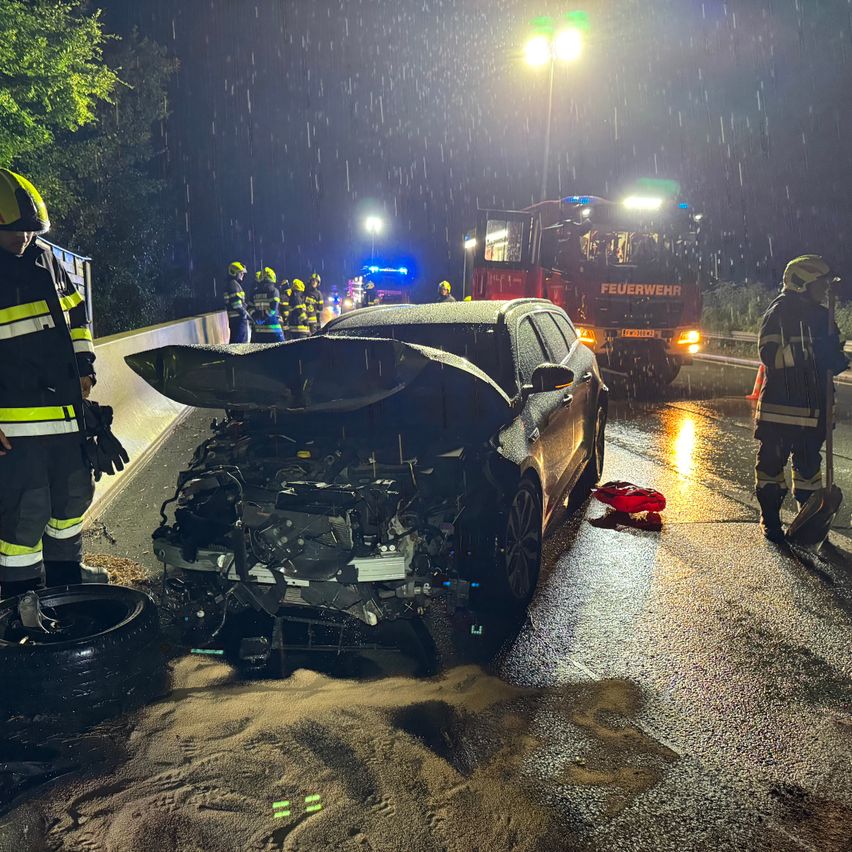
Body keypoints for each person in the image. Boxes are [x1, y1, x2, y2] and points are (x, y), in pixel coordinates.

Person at [0, 169, 108, 597]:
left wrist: (85, 367)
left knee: (69, 506)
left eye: (31, 230)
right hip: (15, 429)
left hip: (67, 421)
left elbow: (77, 316)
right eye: (14, 230)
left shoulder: (46, 259)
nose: (25, 238)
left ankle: (67, 593)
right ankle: (18, 605)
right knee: (24, 517)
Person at [754, 254, 848, 543]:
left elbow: (831, 354)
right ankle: (770, 520)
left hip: (815, 411)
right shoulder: (780, 311)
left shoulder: (822, 315)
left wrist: (836, 357)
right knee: (771, 467)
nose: (826, 290)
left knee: (809, 471)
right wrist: (811, 353)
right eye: (821, 283)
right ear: (802, 283)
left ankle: (807, 519)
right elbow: (769, 355)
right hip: (781, 409)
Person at [250, 267, 284, 342]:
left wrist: (256, 319)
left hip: (259, 331)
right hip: (273, 329)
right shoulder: (274, 291)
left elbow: (250, 308)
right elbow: (272, 309)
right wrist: (263, 318)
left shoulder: (254, 292)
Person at [224, 261, 250, 343]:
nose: (242, 275)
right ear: (234, 273)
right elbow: (236, 304)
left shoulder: (231, 284)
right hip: (238, 320)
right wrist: (245, 314)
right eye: (241, 273)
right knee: (240, 343)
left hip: (235, 319)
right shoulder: (234, 285)